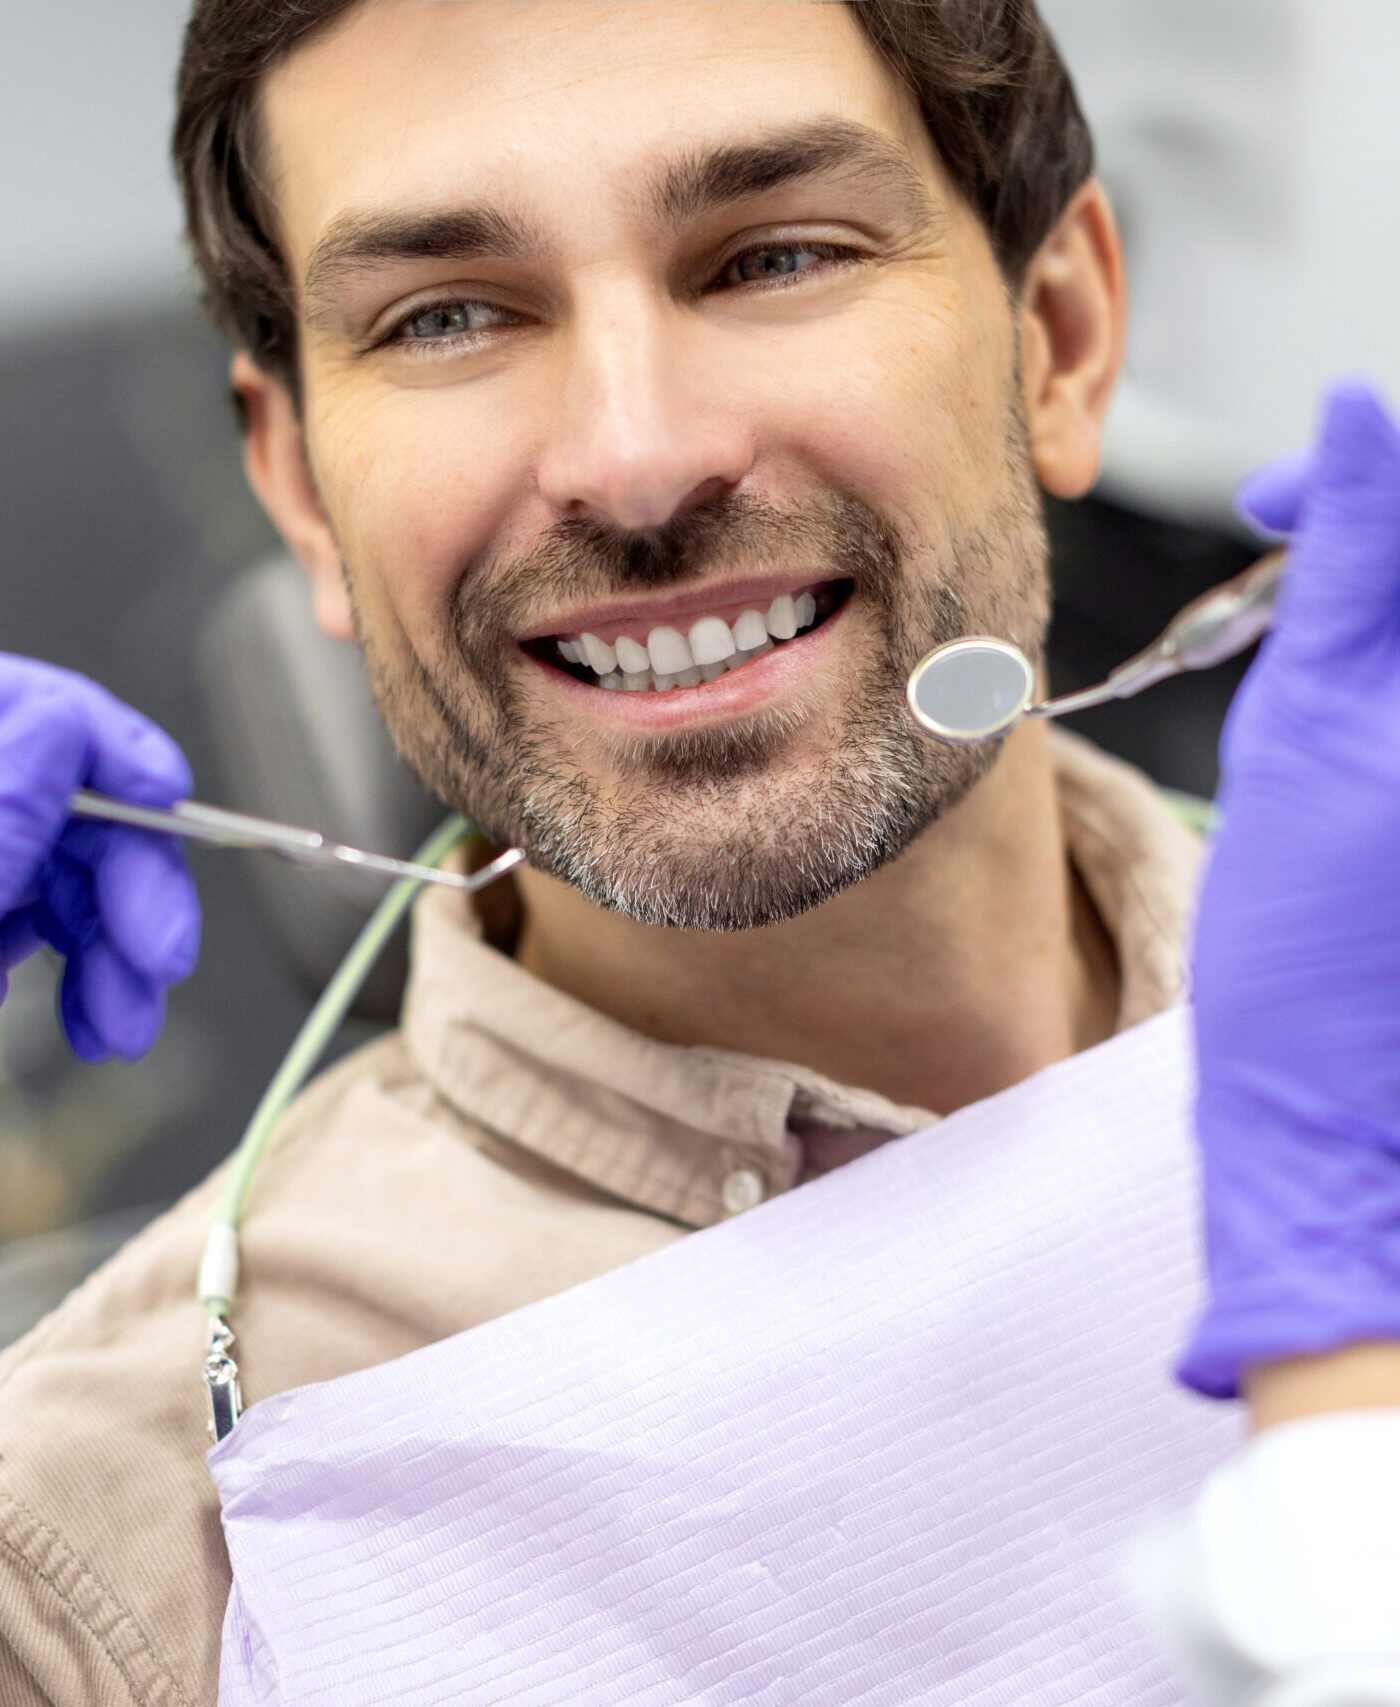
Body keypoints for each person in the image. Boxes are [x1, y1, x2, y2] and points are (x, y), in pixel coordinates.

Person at [0, 2, 1397, 1702]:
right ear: (302, 489)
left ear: (1062, 341)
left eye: (771, 257)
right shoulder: (95, 1546)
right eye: (447, 314)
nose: (638, 459)